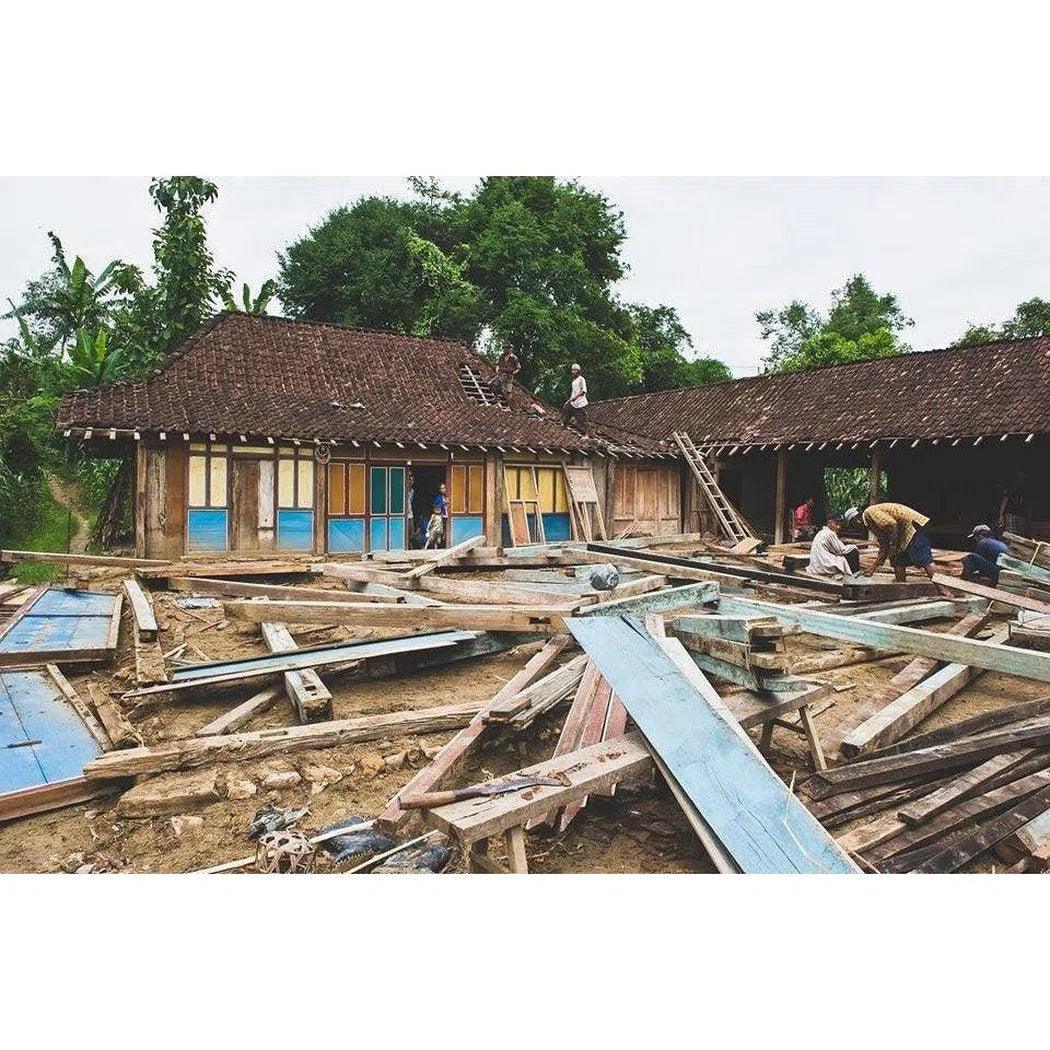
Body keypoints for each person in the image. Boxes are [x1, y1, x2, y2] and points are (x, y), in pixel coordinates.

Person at [845, 501, 940, 587]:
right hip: (901, 534)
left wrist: (893, 545)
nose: (855, 526)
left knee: (924, 559)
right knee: (896, 559)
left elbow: (892, 524)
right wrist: (873, 567)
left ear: (856, 518)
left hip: (912, 527)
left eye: (853, 523)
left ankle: (943, 590)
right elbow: (884, 545)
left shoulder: (869, 513)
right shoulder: (870, 524)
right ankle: (901, 588)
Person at [807, 512, 861, 578]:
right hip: (825, 565)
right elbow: (840, 550)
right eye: (836, 524)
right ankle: (854, 576)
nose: (838, 527)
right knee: (853, 552)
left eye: (839, 525)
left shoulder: (821, 532)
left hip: (817, 565)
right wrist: (854, 546)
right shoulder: (830, 533)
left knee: (849, 551)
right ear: (829, 523)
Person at [999, 472, 1031, 537]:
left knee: (1021, 535)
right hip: (1011, 514)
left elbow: (1028, 505)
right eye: (1019, 476)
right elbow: (1005, 500)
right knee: (1011, 535)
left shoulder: (1026, 488)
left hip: (1022, 515)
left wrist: (1029, 518)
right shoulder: (1012, 487)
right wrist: (1001, 515)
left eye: (1022, 476)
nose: (1021, 478)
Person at [561, 363, 588, 432]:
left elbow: (583, 391)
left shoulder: (581, 379)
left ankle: (587, 433)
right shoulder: (574, 381)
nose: (572, 372)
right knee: (566, 409)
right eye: (572, 370)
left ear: (578, 371)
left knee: (581, 419)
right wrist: (569, 400)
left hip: (580, 403)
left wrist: (575, 397)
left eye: (574, 370)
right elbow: (573, 393)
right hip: (573, 402)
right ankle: (564, 425)